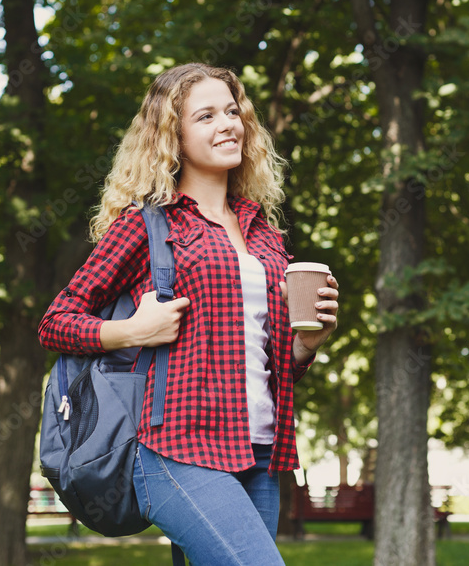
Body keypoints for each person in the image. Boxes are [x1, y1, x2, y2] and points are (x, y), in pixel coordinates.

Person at [38, 63, 339, 565]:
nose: (227, 124)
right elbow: (56, 320)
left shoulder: (265, 237)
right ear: (172, 138)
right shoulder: (148, 226)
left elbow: (268, 363)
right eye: (205, 116)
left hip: (261, 451)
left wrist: (306, 345)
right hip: (177, 447)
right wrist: (132, 330)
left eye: (231, 111)